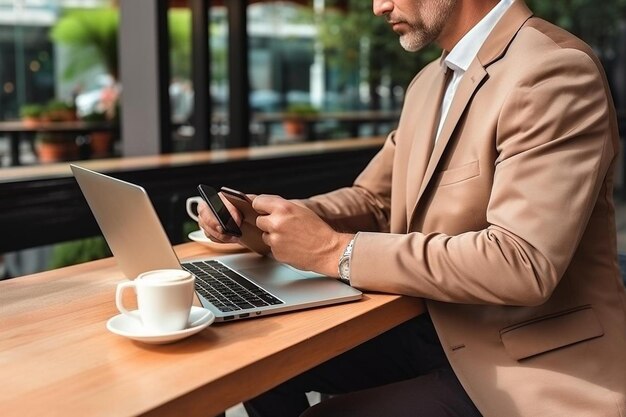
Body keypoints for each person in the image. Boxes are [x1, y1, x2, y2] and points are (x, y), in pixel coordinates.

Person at [198, 0, 626, 415]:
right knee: (257, 365)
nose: (378, 7)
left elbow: (521, 262)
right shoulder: (428, 83)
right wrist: (262, 217)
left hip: (526, 360)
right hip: (429, 326)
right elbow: (373, 199)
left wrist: (335, 252)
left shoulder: (553, 70)